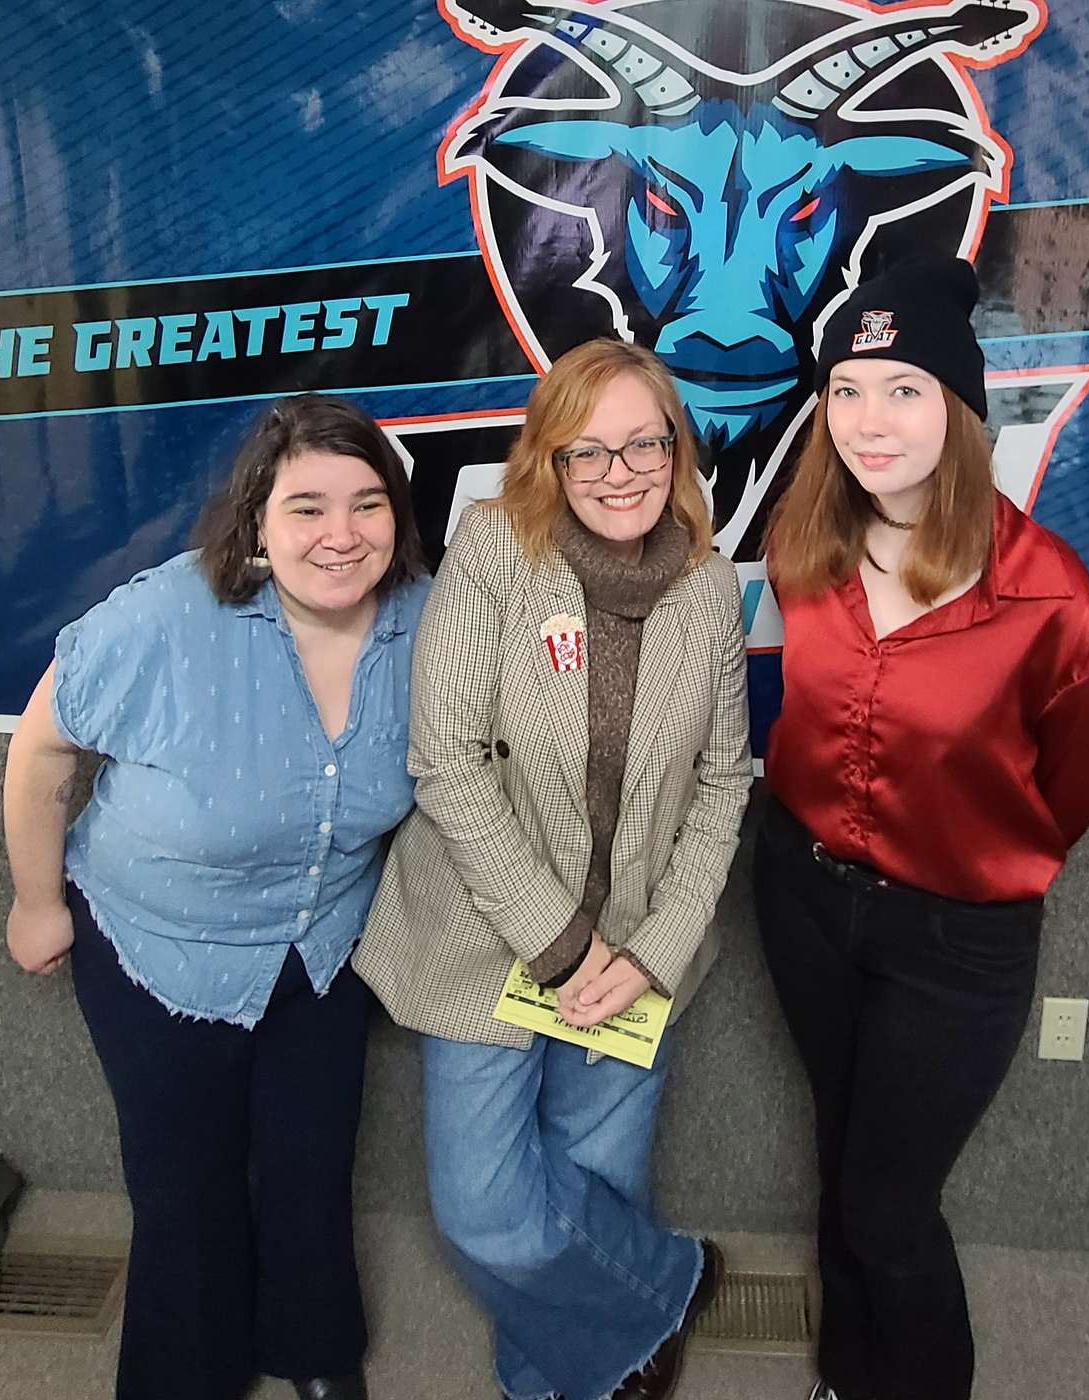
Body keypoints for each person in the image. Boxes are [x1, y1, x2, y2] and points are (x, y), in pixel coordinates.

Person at [2, 393, 431, 1400]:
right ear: (255, 521)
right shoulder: (164, 616)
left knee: (308, 1169)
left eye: (367, 505)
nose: (341, 535)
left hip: (320, 946)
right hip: (159, 947)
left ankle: (315, 1351)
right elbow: (39, 750)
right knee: (186, 1190)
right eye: (307, 508)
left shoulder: (425, 619)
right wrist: (35, 902)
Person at [352, 338, 753, 1400]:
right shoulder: (495, 550)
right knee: (485, 1204)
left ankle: (552, 1383)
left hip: (635, 948)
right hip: (491, 933)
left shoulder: (710, 589)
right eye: (588, 452)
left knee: (596, 1184)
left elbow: (722, 786)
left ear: (677, 447)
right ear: (549, 461)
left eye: (643, 444)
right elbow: (442, 758)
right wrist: (560, 939)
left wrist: (651, 948)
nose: (619, 472)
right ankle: (668, 1282)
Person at [756, 257, 1089, 1400]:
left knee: (886, 1201)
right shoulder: (800, 549)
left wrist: (961, 858)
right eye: (848, 389)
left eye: (904, 389)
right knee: (837, 1152)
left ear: (959, 409)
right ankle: (842, 1373)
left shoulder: (1051, 599)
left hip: (956, 937)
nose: (870, 421)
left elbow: (1069, 792)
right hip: (804, 895)